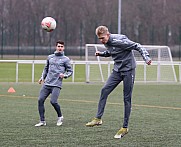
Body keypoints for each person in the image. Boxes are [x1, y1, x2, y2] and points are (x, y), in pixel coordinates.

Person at [86, 26, 151, 139]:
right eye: (99, 39)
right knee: (104, 90)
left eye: (103, 38)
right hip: (117, 71)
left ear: (108, 34)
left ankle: (125, 128)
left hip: (128, 70)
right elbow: (112, 51)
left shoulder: (119, 41)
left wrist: (146, 58)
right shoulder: (107, 42)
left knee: (126, 98)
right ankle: (98, 119)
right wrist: (101, 54)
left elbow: (137, 45)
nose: (101, 41)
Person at [35, 40, 73, 127]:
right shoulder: (50, 57)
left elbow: (70, 71)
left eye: (62, 46)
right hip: (47, 83)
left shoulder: (66, 59)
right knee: (40, 100)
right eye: (59, 46)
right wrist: (42, 77)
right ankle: (42, 121)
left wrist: (65, 75)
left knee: (53, 101)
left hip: (56, 84)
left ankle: (60, 116)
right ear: (56, 47)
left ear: (64, 48)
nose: (60, 48)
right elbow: (46, 69)